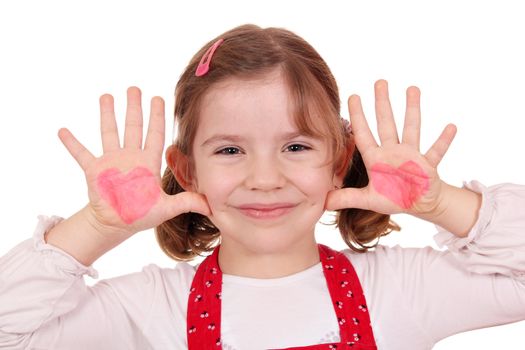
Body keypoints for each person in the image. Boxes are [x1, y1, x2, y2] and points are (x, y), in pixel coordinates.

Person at [1, 23, 524, 350]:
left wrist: (441, 203)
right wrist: (97, 226)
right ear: (187, 172)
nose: (265, 179)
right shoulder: (147, 307)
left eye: (296, 147)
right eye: (230, 150)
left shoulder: (403, 289)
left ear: (340, 161)